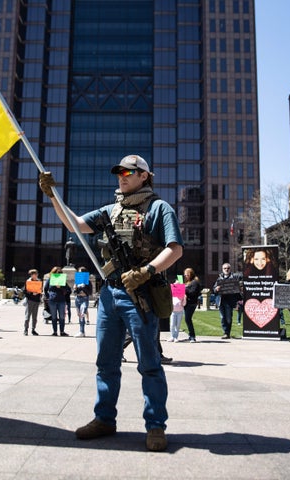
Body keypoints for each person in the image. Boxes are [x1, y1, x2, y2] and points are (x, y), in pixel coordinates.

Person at [39, 153, 183, 452]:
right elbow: (74, 224)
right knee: (106, 363)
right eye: (119, 172)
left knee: (150, 364)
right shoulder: (110, 210)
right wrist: (52, 195)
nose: (123, 176)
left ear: (145, 176)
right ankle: (104, 419)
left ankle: (156, 425)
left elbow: (175, 249)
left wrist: (147, 271)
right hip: (109, 294)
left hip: (141, 295)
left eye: (130, 172)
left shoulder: (159, 208)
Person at [212, 263, 242, 339]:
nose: (226, 269)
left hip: (229, 301)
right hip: (221, 300)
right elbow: (214, 288)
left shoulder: (234, 277)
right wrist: (216, 289)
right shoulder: (219, 278)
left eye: (228, 268)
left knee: (228, 318)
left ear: (230, 269)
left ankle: (228, 332)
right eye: (225, 268)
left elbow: (240, 281)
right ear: (222, 269)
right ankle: (226, 332)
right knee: (222, 317)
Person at [44, 266, 71, 336]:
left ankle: (62, 331)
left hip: (61, 300)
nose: (58, 274)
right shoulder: (50, 280)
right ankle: (55, 332)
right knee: (54, 317)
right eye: (56, 273)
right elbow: (45, 289)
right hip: (52, 300)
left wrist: (61, 287)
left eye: (59, 273)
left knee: (62, 317)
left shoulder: (63, 280)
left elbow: (69, 290)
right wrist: (48, 297)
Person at [183, 267, 201, 343]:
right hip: (186, 303)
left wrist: (184, 289)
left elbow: (193, 292)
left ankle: (192, 336)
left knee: (188, 319)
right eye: (185, 275)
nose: (186, 276)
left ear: (191, 274)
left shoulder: (195, 282)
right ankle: (191, 336)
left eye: (187, 275)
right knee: (187, 319)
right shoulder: (187, 283)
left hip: (191, 303)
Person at [74, 266, 92, 337]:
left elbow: (90, 292)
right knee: (80, 315)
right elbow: (74, 292)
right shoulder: (77, 281)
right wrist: (75, 288)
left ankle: (81, 331)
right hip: (77, 299)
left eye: (81, 272)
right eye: (79, 272)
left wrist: (84, 290)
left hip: (84, 299)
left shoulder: (88, 282)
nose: (80, 273)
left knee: (82, 313)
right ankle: (82, 331)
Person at [23, 269, 42, 336]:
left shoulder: (39, 281)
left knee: (35, 316)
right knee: (27, 315)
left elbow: (40, 290)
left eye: (36, 274)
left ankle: (33, 329)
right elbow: (25, 291)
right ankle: (26, 329)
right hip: (29, 300)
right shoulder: (28, 281)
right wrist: (31, 293)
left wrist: (38, 293)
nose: (35, 275)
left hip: (36, 300)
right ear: (31, 275)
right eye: (34, 274)